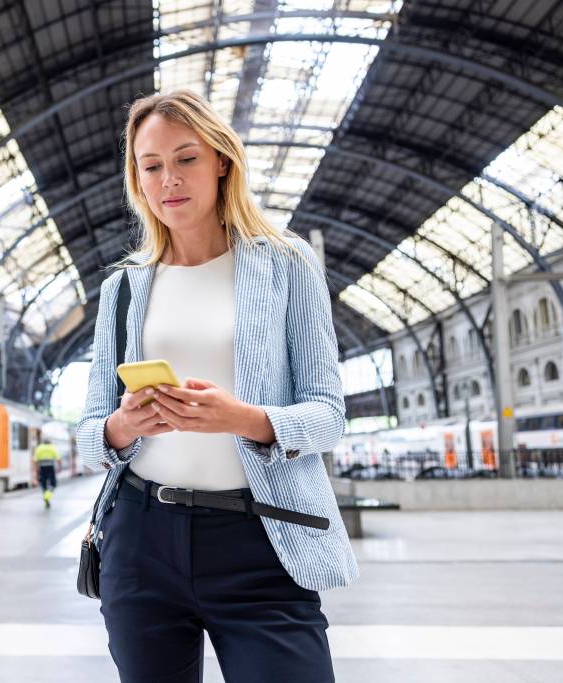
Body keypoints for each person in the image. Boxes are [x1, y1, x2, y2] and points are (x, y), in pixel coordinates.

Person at [75, 90, 358, 683]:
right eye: (150, 166)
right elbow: (89, 430)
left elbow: (330, 413)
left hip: (262, 537)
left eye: (186, 159)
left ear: (221, 161)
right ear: (137, 179)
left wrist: (244, 418)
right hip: (140, 538)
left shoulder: (286, 264)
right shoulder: (123, 290)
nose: (169, 180)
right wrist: (123, 426)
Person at [33, 439, 61, 508]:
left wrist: (36, 470)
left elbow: (35, 460)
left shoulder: (39, 448)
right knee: (53, 484)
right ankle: (47, 496)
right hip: (50, 468)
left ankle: (46, 498)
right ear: (49, 443)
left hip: (42, 468)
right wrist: (59, 468)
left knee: (43, 484)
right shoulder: (52, 447)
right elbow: (58, 459)